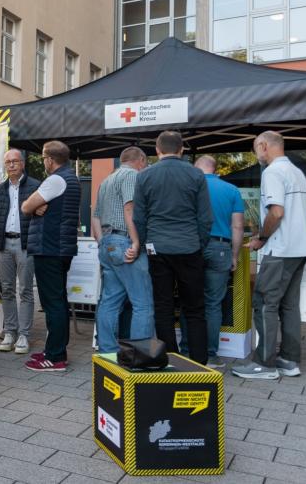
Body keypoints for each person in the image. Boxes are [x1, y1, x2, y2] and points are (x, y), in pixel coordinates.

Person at [232, 131, 306, 380]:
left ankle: (264, 363)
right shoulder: (296, 172)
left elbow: (276, 212)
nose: (256, 153)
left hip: (280, 248)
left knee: (265, 303)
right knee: (289, 306)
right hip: (301, 248)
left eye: (255, 148)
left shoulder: (272, 172)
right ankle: (289, 360)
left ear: (263, 146)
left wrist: (261, 238)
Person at [133, 131, 212, 365]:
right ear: (182, 150)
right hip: (190, 247)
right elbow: (205, 218)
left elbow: (139, 218)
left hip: (158, 249)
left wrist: (148, 243)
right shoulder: (196, 175)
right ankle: (199, 360)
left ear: (157, 150)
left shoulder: (144, 176)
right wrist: (199, 243)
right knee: (195, 307)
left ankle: (170, 359)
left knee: (163, 306)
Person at [20, 141, 81, 372]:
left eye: (44, 158)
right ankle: (54, 350)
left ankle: (55, 357)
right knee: (58, 300)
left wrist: (34, 206)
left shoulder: (56, 180)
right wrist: (38, 206)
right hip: (60, 248)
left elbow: (26, 206)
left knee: (53, 303)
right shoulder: (71, 178)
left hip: (49, 247)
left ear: (49, 159)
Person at [178, 155, 244, 368]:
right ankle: (211, 354)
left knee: (190, 300)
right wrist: (234, 255)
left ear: (197, 169)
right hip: (220, 248)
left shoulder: (188, 186)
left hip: (191, 246)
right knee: (213, 303)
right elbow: (237, 226)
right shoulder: (231, 190)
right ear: (215, 169)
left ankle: (187, 350)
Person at [91, 147, 154, 354]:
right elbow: (130, 208)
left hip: (108, 242)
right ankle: (141, 354)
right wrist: (136, 242)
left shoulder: (107, 180)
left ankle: (107, 350)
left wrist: (102, 242)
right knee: (142, 303)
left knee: (109, 301)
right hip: (125, 241)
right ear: (141, 160)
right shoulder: (131, 175)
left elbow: (96, 215)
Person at [0, 149, 40, 354]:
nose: (11, 165)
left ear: (22, 163)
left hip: (25, 244)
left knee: (25, 290)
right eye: (8, 162)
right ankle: (10, 332)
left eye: (15, 161)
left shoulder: (35, 186)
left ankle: (24, 335)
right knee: (7, 289)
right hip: (5, 244)